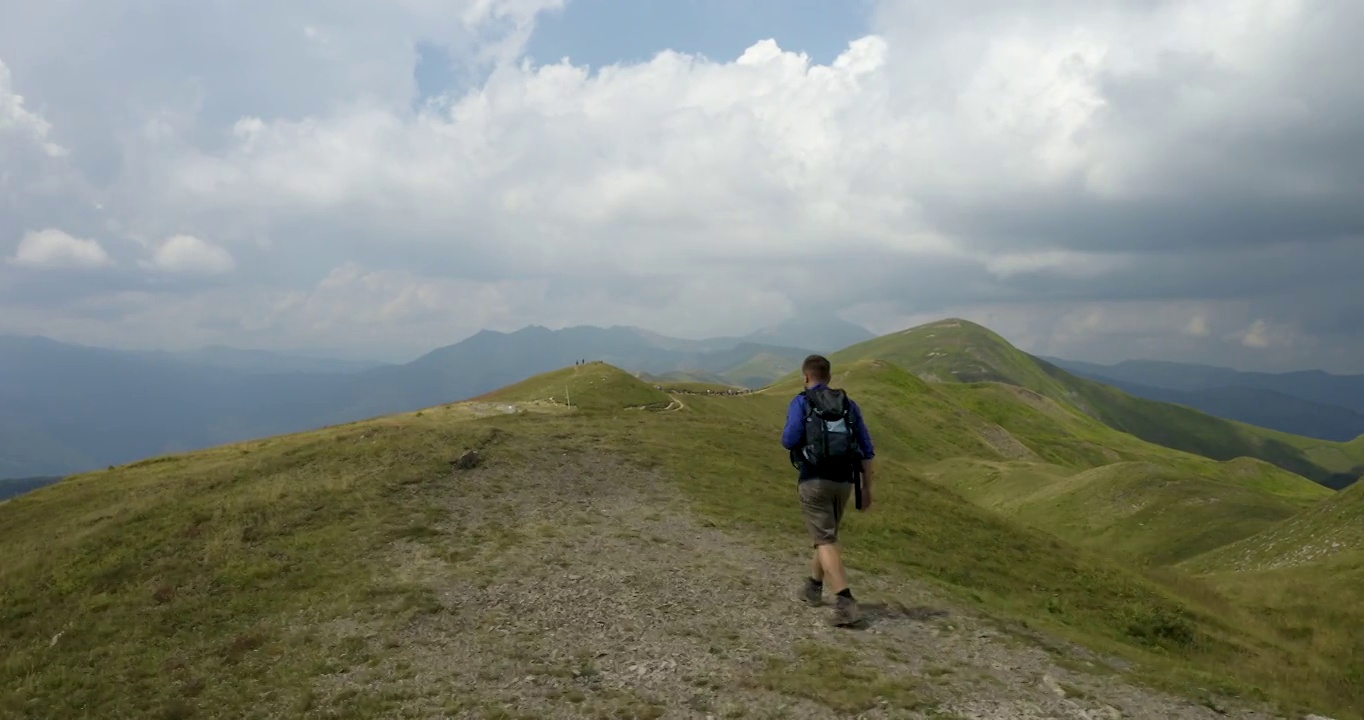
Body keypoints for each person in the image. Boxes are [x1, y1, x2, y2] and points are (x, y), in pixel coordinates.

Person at [781, 354, 875, 627]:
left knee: (825, 540)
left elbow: (788, 440)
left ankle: (845, 601)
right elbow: (867, 448)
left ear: (806, 377)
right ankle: (813, 587)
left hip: (814, 480)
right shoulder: (848, 404)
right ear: (829, 377)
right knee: (827, 536)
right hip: (845, 481)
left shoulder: (802, 401)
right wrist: (867, 488)